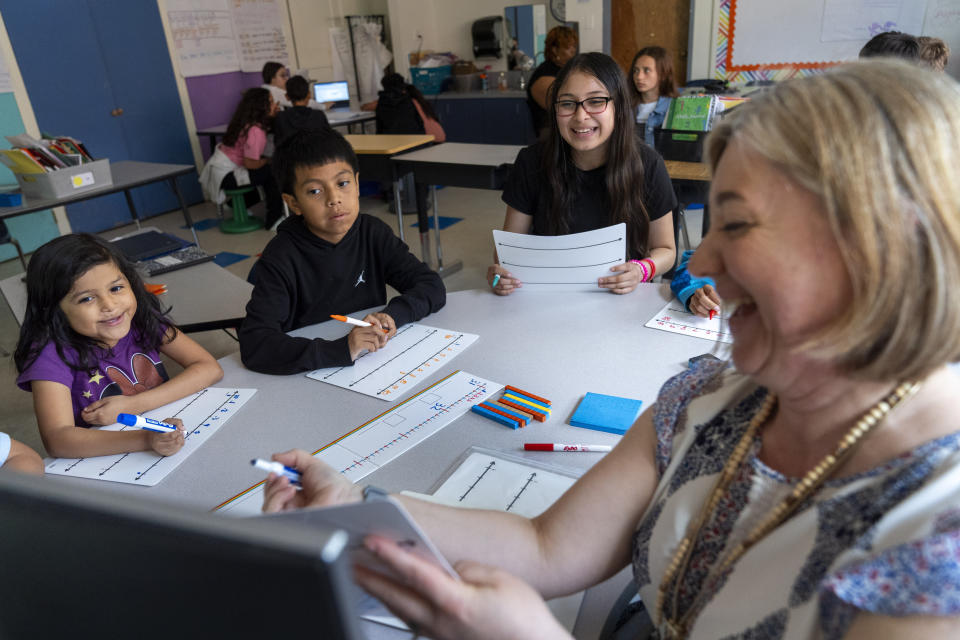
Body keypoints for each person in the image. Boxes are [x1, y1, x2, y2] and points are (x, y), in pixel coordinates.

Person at [262, 60, 960, 639]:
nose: (704, 261)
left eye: (739, 225)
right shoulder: (707, 394)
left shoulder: (935, 549)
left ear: (874, 252)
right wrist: (360, 506)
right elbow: (547, 546)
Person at [238, 129, 446, 375]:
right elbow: (255, 343)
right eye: (315, 191)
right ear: (293, 203)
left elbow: (431, 285)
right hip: (312, 372)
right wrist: (342, 349)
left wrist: (393, 316)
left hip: (372, 363)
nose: (334, 199)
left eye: (342, 183)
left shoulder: (372, 233)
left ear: (357, 184)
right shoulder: (281, 256)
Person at [14, 234, 223, 459]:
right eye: (86, 299)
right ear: (54, 310)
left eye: (116, 288)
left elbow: (209, 368)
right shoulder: (50, 355)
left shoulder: (140, 318)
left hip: (163, 433)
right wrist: (145, 439)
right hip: (107, 457)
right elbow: (58, 440)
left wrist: (133, 405)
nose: (110, 305)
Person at [489, 52, 677, 296]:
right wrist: (500, 275)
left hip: (623, 301)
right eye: (567, 103)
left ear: (618, 106)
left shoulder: (648, 165)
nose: (580, 116)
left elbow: (666, 250)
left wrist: (642, 269)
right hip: (549, 300)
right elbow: (507, 251)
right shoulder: (532, 162)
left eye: (596, 101)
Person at [198, 87, 285, 230]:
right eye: (271, 102)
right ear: (261, 107)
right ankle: (274, 220)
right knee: (271, 173)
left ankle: (235, 205)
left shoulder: (246, 122)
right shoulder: (256, 131)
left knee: (264, 174)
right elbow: (250, 164)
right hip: (227, 177)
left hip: (222, 171)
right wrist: (267, 160)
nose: (275, 104)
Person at [527, 26, 578, 137]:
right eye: (568, 47)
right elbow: (564, 106)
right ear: (555, 50)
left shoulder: (567, 70)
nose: (573, 50)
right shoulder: (544, 74)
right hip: (550, 136)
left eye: (574, 46)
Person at [369, 72, 446, 143]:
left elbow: (368, 108)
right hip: (431, 138)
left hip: (426, 141)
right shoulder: (414, 97)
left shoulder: (385, 101)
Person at [629, 46, 677, 147]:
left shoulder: (675, 107)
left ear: (663, 74)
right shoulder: (624, 105)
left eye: (646, 70)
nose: (639, 77)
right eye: (636, 70)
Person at [272, 75, 331, 147]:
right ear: (309, 95)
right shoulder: (319, 115)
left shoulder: (280, 117)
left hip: (290, 157)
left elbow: (277, 144)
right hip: (315, 156)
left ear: (287, 97)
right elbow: (328, 140)